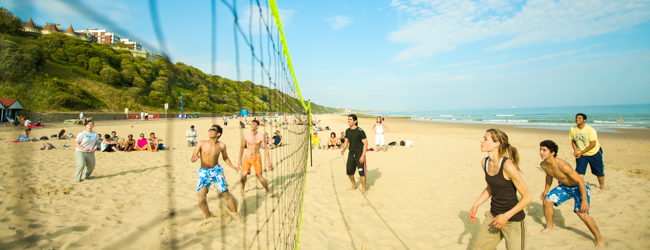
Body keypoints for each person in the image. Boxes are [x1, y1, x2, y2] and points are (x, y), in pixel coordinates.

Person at [469, 128, 531, 250]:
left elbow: (527, 198)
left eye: (485, 139)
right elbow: (490, 188)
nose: (481, 141)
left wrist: (506, 216)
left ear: (497, 144)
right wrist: (476, 205)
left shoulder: (508, 167)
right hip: (494, 216)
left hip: (513, 220)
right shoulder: (485, 163)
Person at [538, 140, 606, 247]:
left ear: (552, 153)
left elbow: (580, 181)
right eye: (540, 149)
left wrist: (584, 200)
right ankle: (549, 227)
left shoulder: (562, 165)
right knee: (547, 201)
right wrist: (546, 190)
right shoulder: (543, 165)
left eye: (544, 150)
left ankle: (600, 240)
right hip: (565, 187)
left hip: (579, 187)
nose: (541, 152)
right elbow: (549, 176)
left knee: (581, 212)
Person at [191, 125, 241, 220]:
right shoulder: (201, 143)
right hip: (203, 173)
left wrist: (232, 166)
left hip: (216, 171)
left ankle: (236, 215)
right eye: (209, 129)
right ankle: (208, 217)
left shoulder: (221, 146)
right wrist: (194, 158)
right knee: (201, 198)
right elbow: (193, 156)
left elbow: (225, 158)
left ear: (218, 134)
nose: (210, 131)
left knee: (225, 193)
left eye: (213, 130)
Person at [570, 113, 606, 190]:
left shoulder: (590, 130)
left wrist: (581, 152)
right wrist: (576, 150)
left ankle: (602, 186)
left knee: (599, 171)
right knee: (579, 171)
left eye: (580, 118)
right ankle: (578, 186)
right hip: (581, 154)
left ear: (584, 120)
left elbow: (593, 144)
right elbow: (573, 141)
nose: (577, 119)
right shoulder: (573, 129)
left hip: (594, 152)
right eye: (576, 118)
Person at [238, 120, 273, 195]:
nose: (251, 125)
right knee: (244, 174)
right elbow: (241, 148)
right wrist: (239, 160)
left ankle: (268, 191)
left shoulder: (261, 136)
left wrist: (269, 162)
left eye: (253, 124)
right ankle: (242, 189)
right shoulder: (246, 136)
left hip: (257, 157)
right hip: (247, 156)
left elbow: (266, 149)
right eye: (251, 124)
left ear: (257, 126)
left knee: (259, 176)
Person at [340, 114, 369, 196]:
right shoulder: (347, 131)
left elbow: (365, 143)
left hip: (359, 154)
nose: (348, 121)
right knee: (349, 171)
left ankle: (364, 189)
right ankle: (354, 184)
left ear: (355, 121)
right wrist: (344, 149)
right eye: (348, 119)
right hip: (351, 154)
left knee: (361, 173)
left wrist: (363, 156)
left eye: (350, 119)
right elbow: (346, 142)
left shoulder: (360, 131)